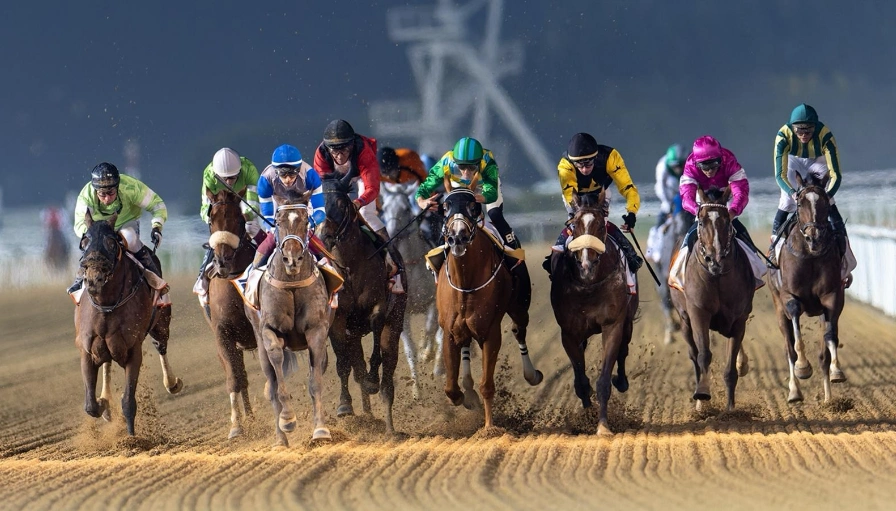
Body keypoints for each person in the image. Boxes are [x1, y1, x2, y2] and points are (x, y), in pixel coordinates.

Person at [313, 119, 405, 294]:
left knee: (366, 213)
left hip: (362, 178)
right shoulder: (322, 153)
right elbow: (322, 188)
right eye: (335, 150)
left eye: (344, 149)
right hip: (335, 181)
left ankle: (394, 263)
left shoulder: (363, 151)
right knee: (326, 215)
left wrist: (358, 202)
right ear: (328, 148)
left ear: (351, 145)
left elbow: (372, 188)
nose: (339, 156)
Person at [676, 135, 765, 286]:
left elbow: (741, 193)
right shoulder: (690, 166)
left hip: (725, 199)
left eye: (714, 165)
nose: (710, 170)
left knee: (741, 233)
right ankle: (678, 272)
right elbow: (686, 196)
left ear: (721, 160)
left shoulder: (729, 161)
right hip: (702, 201)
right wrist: (697, 210)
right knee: (689, 237)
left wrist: (733, 212)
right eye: (705, 167)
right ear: (697, 164)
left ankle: (754, 270)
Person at [547, 132, 643, 272]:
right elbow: (569, 194)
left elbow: (628, 188)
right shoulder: (565, 164)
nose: (584, 169)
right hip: (576, 196)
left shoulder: (611, 157)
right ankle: (557, 254)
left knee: (601, 223)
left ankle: (630, 254)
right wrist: (576, 214)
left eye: (588, 164)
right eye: (579, 165)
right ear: (573, 162)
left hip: (601, 194)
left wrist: (632, 213)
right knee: (576, 223)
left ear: (596, 157)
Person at [69, 162, 168, 294]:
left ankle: (154, 277)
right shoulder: (86, 196)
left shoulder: (130, 187)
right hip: (99, 228)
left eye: (111, 192)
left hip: (126, 222)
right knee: (91, 244)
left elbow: (157, 205)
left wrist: (157, 227)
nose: (107, 199)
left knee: (131, 240)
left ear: (117, 186)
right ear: (95, 190)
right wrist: (96, 235)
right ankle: (80, 278)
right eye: (102, 194)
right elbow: (79, 224)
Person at [415, 136, 522, 250]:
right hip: (458, 185)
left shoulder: (487, 162)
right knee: (450, 215)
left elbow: (491, 192)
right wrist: (421, 201)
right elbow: (425, 186)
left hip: (484, 186)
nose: (466, 173)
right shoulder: (446, 162)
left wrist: (483, 197)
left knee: (494, 214)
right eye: (461, 167)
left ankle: (512, 246)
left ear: (479, 163)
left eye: (471, 167)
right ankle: (441, 248)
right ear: (455, 162)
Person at [772, 104, 848, 255]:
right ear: (792, 128)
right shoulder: (783, 136)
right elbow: (780, 175)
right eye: (799, 130)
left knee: (827, 200)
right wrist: (792, 193)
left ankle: (844, 251)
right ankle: (773, 249)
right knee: (786, 201)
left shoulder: (825, 136)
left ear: (816, 127)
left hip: (816, 160)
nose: (804, 134)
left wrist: (828, 195)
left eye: (808, 130)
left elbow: (836, 175)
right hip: (792, 159)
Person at [193, 147, 263, 300]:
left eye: (233, 177)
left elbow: (252, 203)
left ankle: (265, 262)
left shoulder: (249, 169)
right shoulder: (209, 174)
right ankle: (202, 275)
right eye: (225, 179)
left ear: (239, 171)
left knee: (252, 226)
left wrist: (248, 218)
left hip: (243, 202)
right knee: (217, 236)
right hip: (220, 207)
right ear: (216, 175)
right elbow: (205, 207)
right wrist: (215, 221)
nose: (229, 182)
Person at [254, 143, 327, 268]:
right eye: (283, 175)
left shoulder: (310, 175)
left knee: (319, 247)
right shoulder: (265, 180)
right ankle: (253, 272)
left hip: (303, 206)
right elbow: (267, 216)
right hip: (279, 207)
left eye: (292, 174)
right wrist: (274, 228)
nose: (288, 179)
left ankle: (331, 270)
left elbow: (320, 212)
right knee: (268, 243)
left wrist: (308, 224)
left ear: (299, 170)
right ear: (276, 172)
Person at [378, 146, 441, 247]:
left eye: (392, 172)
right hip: (393, 187)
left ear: (398, 164)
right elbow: (373, 193)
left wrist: (428, 205)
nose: (389, 177)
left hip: (413, 181)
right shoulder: (376, 171)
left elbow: (425, 182)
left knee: (424, 209)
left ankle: (436, 239)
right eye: (386, 174)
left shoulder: (410, 159)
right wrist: (379, 210)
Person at [655, 143, 687, 228]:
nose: (678, 169)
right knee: (661, 222)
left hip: (686, 193)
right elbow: (660, 186)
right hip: (670, 194)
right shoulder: (662, 165)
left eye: (680, 165)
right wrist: (667, 203)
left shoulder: (691, 163)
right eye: (675, 166)